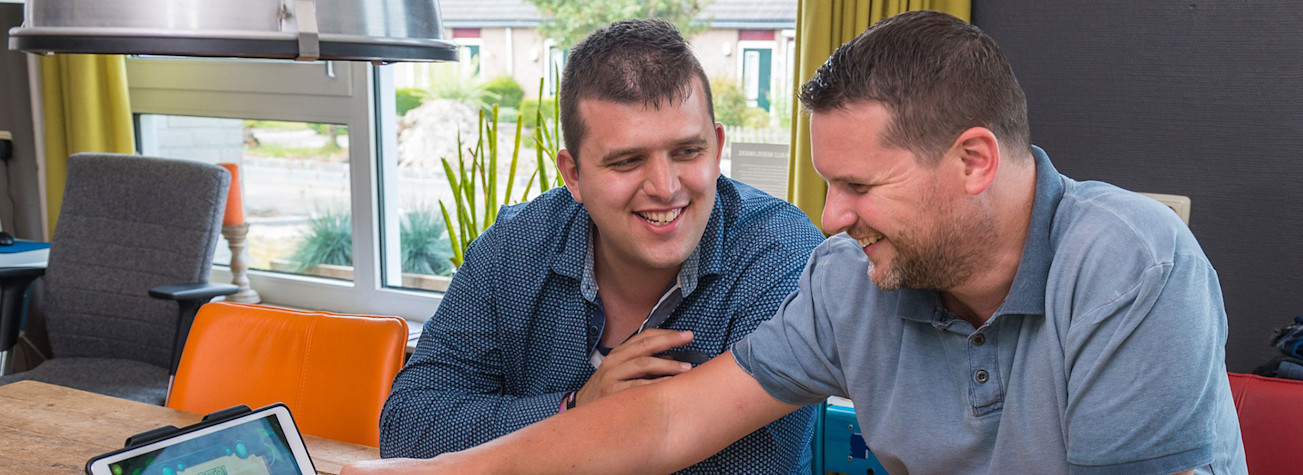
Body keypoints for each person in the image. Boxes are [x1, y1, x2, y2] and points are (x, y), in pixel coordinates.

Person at [347, 10, 1247, 474]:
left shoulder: (1128, 263)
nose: (830, 215)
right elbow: (666, 421)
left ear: (973, 159)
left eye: (858, 185)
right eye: (827, 182)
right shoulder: (853, 279)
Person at [376, 18, 825, 473]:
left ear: (717, 146)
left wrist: (577, 431)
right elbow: (407, 426)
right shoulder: (513, 248)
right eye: (628, 161)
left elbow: (742, 465)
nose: (666, 187)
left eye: (688, 152)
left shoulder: (779, 254)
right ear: (573, 174)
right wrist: (573, 407)